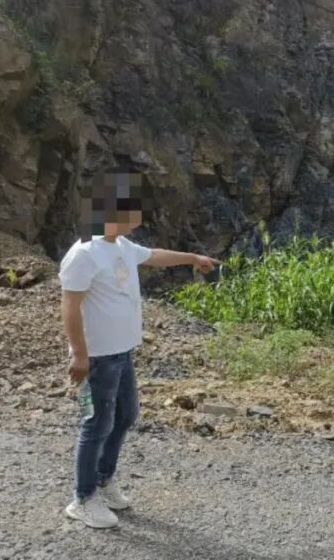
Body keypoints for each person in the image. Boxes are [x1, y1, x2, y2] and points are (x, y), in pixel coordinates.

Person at [59, 169, 219, 528]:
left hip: (122, 352)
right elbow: (69, 306)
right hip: (98, 356)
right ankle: (83, 498)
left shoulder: (121, 246)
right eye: (131, 210)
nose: (138, 217)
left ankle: (104, 479)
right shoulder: (84, 253)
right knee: (96, 423)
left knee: (126, 416)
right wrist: (79, 354)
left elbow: (155, 255)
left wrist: (192, 258)